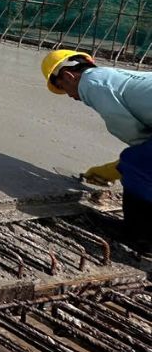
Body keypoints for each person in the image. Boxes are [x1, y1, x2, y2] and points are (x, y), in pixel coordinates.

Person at [41, 50, 152, 252]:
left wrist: (117, 168)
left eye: (64, 88)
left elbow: (136, 136)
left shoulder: (92, 84)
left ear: (68, 76)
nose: (71, 96)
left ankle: (139, 235)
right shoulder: (113, 74)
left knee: (135, 164)